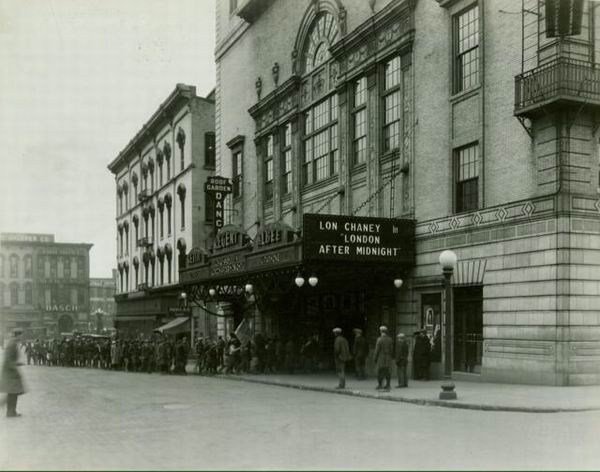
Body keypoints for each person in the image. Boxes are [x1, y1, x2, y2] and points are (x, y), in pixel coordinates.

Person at [0, 329, 26, 417]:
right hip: (10, 372)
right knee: (13, 392)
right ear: (17, 335)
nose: (22, 337)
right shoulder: (12, 344)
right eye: (21, 335)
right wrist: (15, 367)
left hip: (10, 371)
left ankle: (11, 412)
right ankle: (10, 412)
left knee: (13, 392)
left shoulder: (13, 343)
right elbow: (8, 359)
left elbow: (10, 359)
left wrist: (18, 363)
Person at [374, 326, 393, 391]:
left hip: (381, 357)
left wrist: (375, 358)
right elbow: (391, 350)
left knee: (380, 371)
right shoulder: (390, 339)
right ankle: (388, 385)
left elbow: (377, 350)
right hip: (388, 357)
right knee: (387, 371)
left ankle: (380, 385)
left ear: (381, 331)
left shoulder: (379, 339)